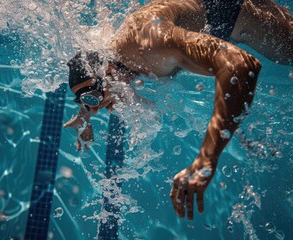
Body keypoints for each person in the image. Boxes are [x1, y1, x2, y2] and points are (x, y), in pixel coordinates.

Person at [63, 0, 293, 221]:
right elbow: (91, 76)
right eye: (84, 101)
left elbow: (242, 65)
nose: (96, 108)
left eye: (93, 97)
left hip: (226, 10)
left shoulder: (150, 45)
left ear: (109, 70)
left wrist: (206, 159)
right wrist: (84, 115)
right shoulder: (110, 59)